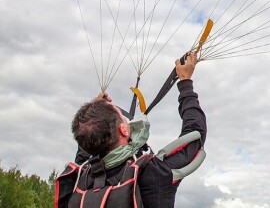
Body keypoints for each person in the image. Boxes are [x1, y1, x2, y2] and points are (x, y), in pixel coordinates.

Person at [55, 52, 206, 208]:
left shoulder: (80, 178)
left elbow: (86, 140)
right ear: (124, 131)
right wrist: (186, 83)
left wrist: (93, 112)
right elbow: (196, 135)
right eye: (123, 117)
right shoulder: (153, 173)